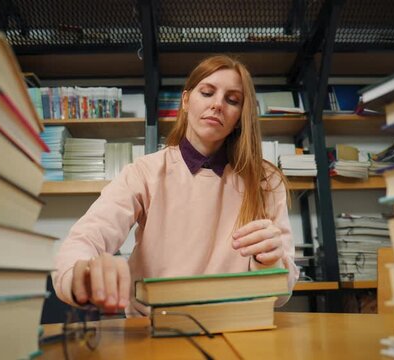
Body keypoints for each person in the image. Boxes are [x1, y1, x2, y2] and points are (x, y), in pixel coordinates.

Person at [53, 55, 299, 317]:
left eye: (232, 100)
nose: (217, 104)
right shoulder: (144, 173)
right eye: (207, 92)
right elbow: (84, 239)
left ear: (239, 117)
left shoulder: (266, 180)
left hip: (236, 328)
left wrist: (270, 261)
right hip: (153, 332)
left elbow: (282, 294)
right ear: (185, 101)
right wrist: (84, 276)